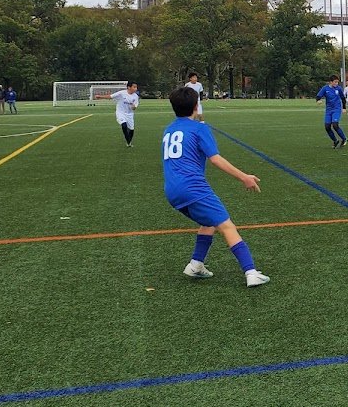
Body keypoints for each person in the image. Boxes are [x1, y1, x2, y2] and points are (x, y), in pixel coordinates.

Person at [163, 87, 269, 287]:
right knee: (227, 226)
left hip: (172, 190)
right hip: (193, 188)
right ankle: (251, 272)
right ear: (196, 106)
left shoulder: (169, 130)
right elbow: (215, 159)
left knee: (209, 222)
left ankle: (196, 264)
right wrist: (244, 177)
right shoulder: (199, 128)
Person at [316, 75, 348, 148]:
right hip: (328, 110)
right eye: (335, 82)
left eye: (337, 82)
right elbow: (318, 96)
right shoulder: (325, 88)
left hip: (337, 109)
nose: (337, 84)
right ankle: (335, 141)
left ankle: (344, 139)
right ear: (330, 82)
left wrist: (344, 108)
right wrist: (318, 100)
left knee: (335, 125)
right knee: (327, 127)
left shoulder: (338, 88)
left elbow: (343, 98)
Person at [111, 82, 139, 147]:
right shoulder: (121, 93)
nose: (136, 88)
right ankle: (127, 140)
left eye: (136, 87)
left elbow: (135, 107)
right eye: (134, 87)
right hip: (120, 112)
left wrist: (133, 107)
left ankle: (129, 142)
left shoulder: (135, 96)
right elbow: (111, 96)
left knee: (131, 130)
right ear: (129, 87)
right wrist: (100, 96)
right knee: (124, 125)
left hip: (130, 114)